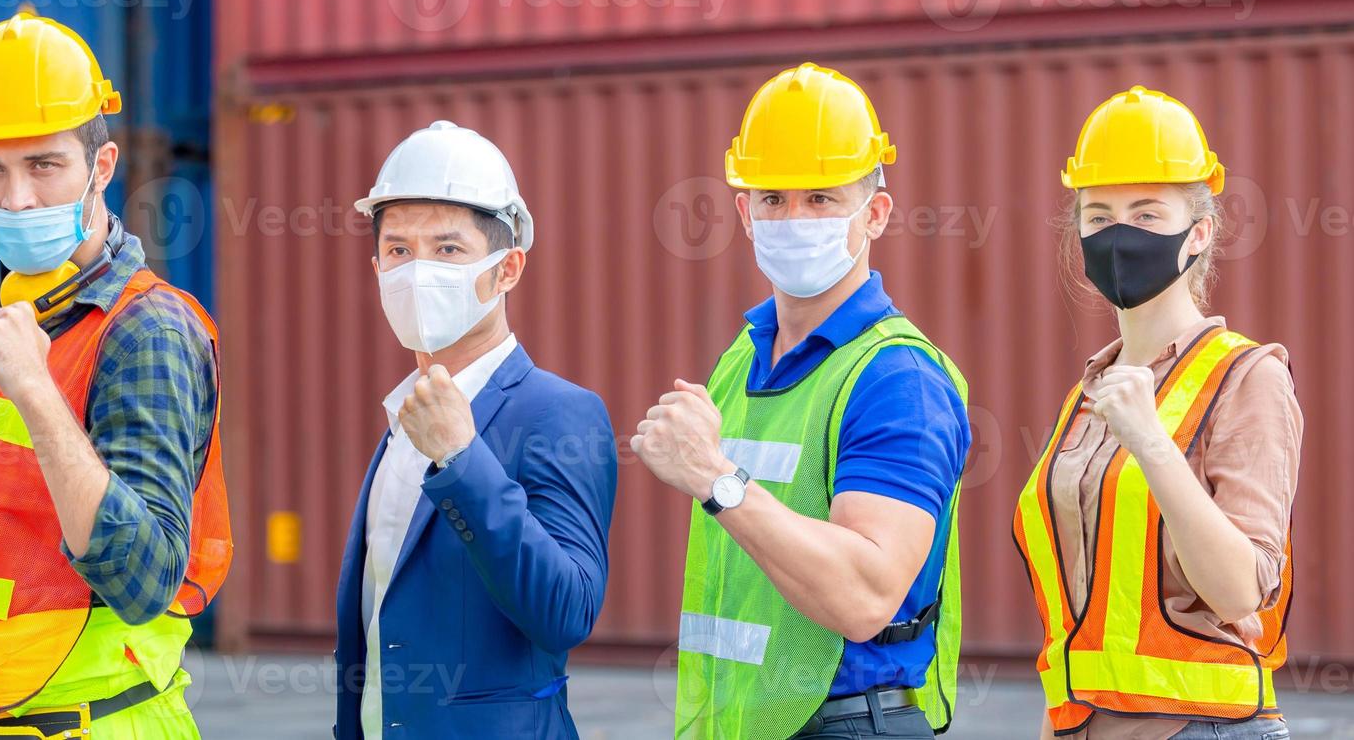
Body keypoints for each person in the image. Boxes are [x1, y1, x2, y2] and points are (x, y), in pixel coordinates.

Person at [0, 12, 232, 740]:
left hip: (94, 725)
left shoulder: (146, 331)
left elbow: (145, 581)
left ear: (101, 168)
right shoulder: (7, 303)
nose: (15, 199)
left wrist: (36, 392)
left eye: (44, 166)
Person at [633, 63, 971, 739]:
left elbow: (867, 595)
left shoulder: (896, 378)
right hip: (739, 723)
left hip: (847, 721)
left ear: (874, 212)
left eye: (820, 199)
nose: (793, 219)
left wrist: (713, 477)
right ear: (743, 213)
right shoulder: (745, 355)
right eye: (773, 199)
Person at [1015, 86, 1300, 739]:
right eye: (1098, 215)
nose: (1118, 233)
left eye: (1146, 214)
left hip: (1205, 730)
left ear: (1197, 232)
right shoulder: (1088, 392)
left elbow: (1239, 592)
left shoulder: (1246, 377)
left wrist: (1149, 441)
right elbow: (1074, 615)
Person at [333, 120, 618, 739]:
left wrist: (463, 459)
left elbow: (566, 612)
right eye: (399, 250)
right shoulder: (402, 421)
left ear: (508, 269)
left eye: (448, 250)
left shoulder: (557, 414)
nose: (417, 271)